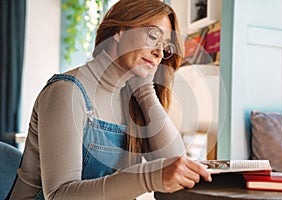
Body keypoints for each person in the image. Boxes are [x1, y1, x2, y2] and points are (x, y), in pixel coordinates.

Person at [9, 0, 211, 199]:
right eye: (152, 36)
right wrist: (149, 178)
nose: (159, 53)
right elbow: (60, 195)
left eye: (165, 48)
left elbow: (175, 163)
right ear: (119, 32)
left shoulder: (131, 100)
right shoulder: (66, 92)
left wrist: (145, 92)